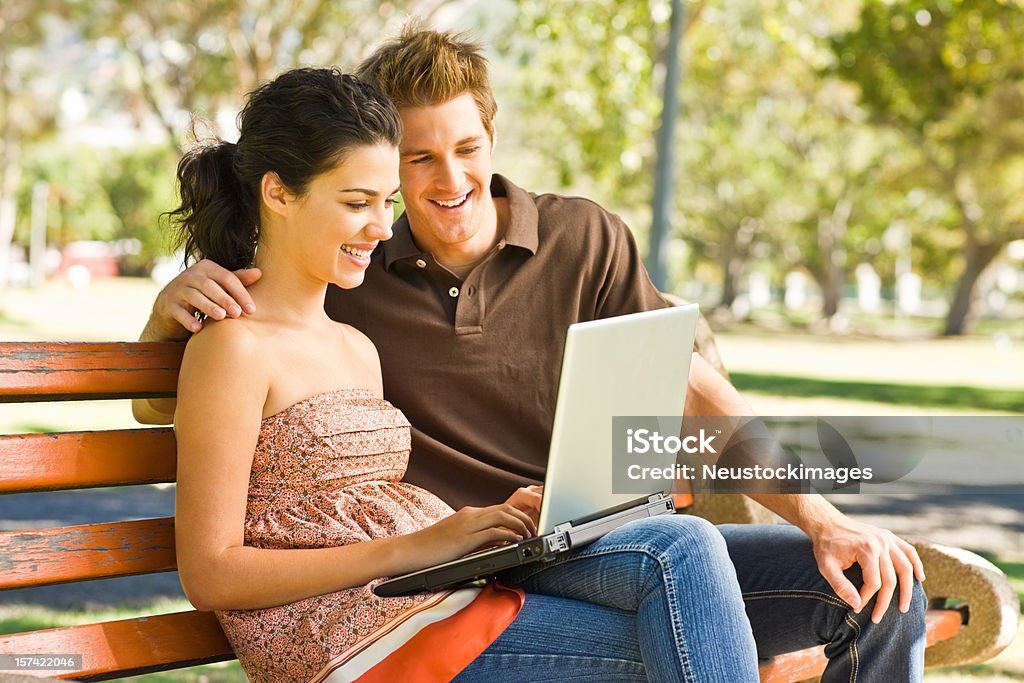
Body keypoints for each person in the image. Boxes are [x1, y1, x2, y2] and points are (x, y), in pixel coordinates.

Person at [140, 24, 928, 682]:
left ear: (492, 138)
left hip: (554, 543)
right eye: (413, 163)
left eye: (467, 147)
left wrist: (824, 518)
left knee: (879, 588)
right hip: (460, 565)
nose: (446, 180)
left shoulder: (579, 240)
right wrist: (163, 320)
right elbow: (192, 399)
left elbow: (694, 394)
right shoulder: (349, 274)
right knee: (679, 562)